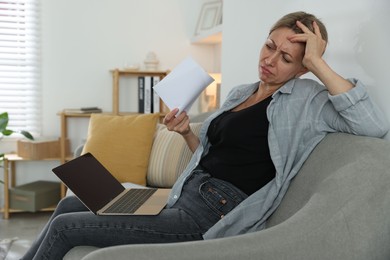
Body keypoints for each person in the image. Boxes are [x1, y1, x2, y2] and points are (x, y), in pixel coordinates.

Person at [22, 11, 388, 259]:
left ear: (302, 67)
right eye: (270, 46)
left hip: (210, 215)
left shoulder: (308, 101)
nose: (271, 59)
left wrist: (317, 64)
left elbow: (373, 126)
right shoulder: (240, 93)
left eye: (288, 58)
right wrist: (185, 134)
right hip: (182, 196)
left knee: (69, 227)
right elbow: (214, 155)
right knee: (69, 204)